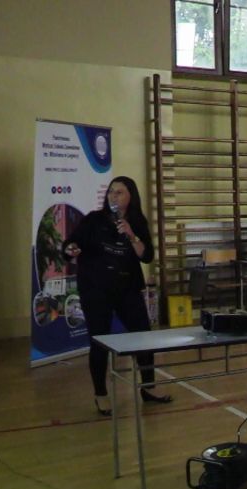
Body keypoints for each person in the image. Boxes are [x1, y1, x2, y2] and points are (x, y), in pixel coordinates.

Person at [62, 176, 170, 416]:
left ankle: (148, 388)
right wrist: (71, 249)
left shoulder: (137, 222)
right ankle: (101, 394)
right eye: (111, 191)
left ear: (130, 196)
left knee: (143, 336)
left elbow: (147, 256)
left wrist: (131, 235)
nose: (113, 195)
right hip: (96, 290)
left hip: (126, 288)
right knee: (100, 341)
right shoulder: (93, 219)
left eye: (119, 192)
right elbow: (70, 244)